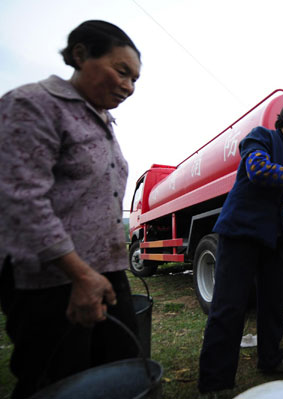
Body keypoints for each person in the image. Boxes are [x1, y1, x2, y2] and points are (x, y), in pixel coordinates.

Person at [0, 20, 142, 398]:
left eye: (135, 80)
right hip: (52, 282)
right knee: (58, 380)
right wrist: (79, 274)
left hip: (106, 273)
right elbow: (20, 198)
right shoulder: (33, 104)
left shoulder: (104, 121)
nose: (129, 86)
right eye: (121, 71)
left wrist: (99, 275)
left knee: (122, 368)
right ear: (80, 55)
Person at [197, 94, 283, 398]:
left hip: (274, 239)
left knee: (272, 303)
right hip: (241, 232)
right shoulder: (259, 138)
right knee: (229, 306)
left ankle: (270, 360)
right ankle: (215, 382)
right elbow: (259, 172)